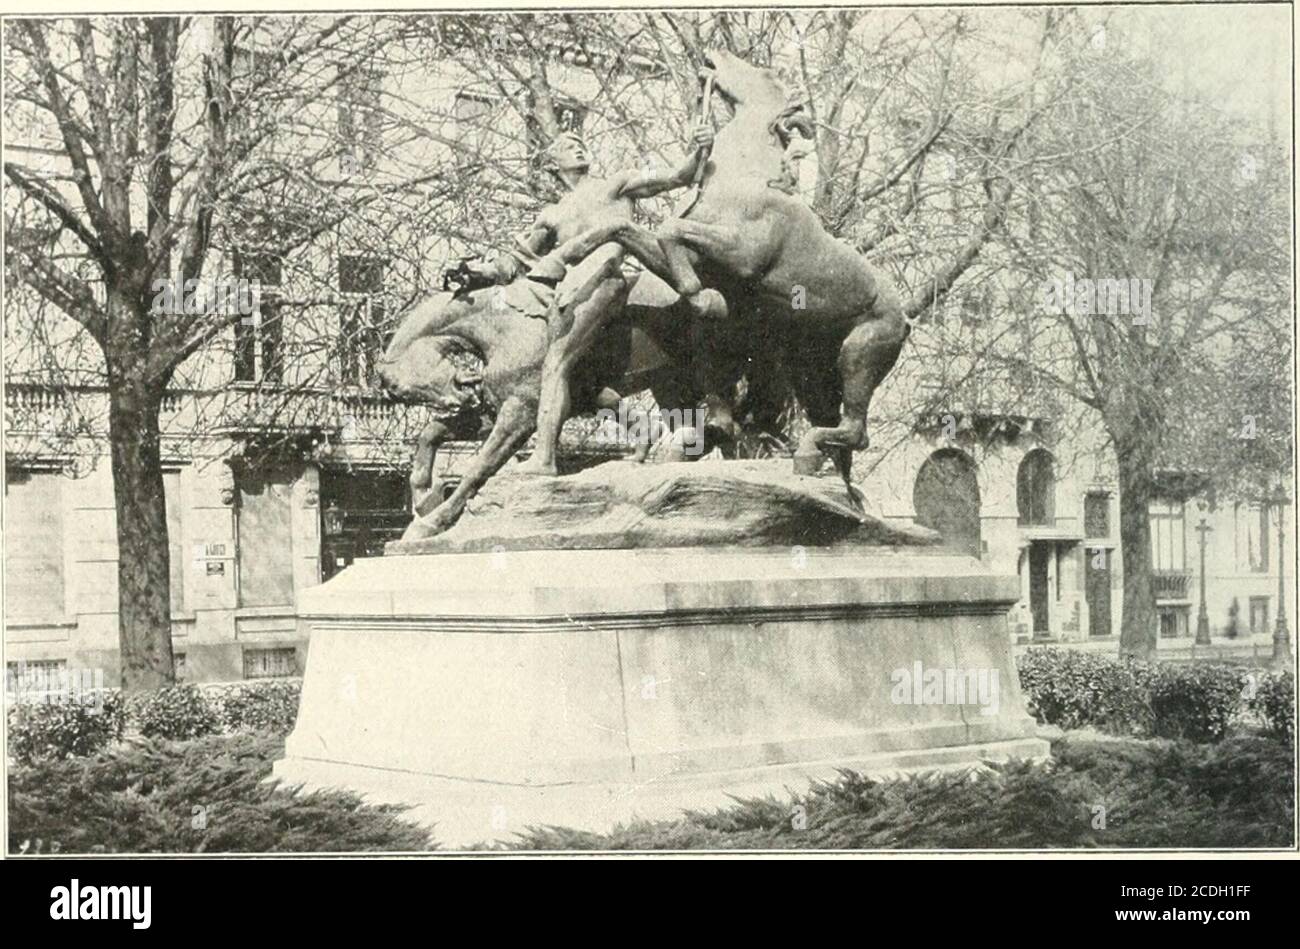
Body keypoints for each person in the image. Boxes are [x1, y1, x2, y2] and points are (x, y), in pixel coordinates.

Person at [508, 123, 722, 475]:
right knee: (583, 385)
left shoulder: (618, 182)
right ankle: (645, 431)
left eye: (580, 142)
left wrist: (700, 149)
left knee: (555, 364)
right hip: (574, 295)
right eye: (567, 145)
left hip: (607, 280)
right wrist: (484, 270)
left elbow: (675, 176)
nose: (578, 147)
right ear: (551, 165)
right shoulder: (550, 215)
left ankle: (543, 459)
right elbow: (516, 261)